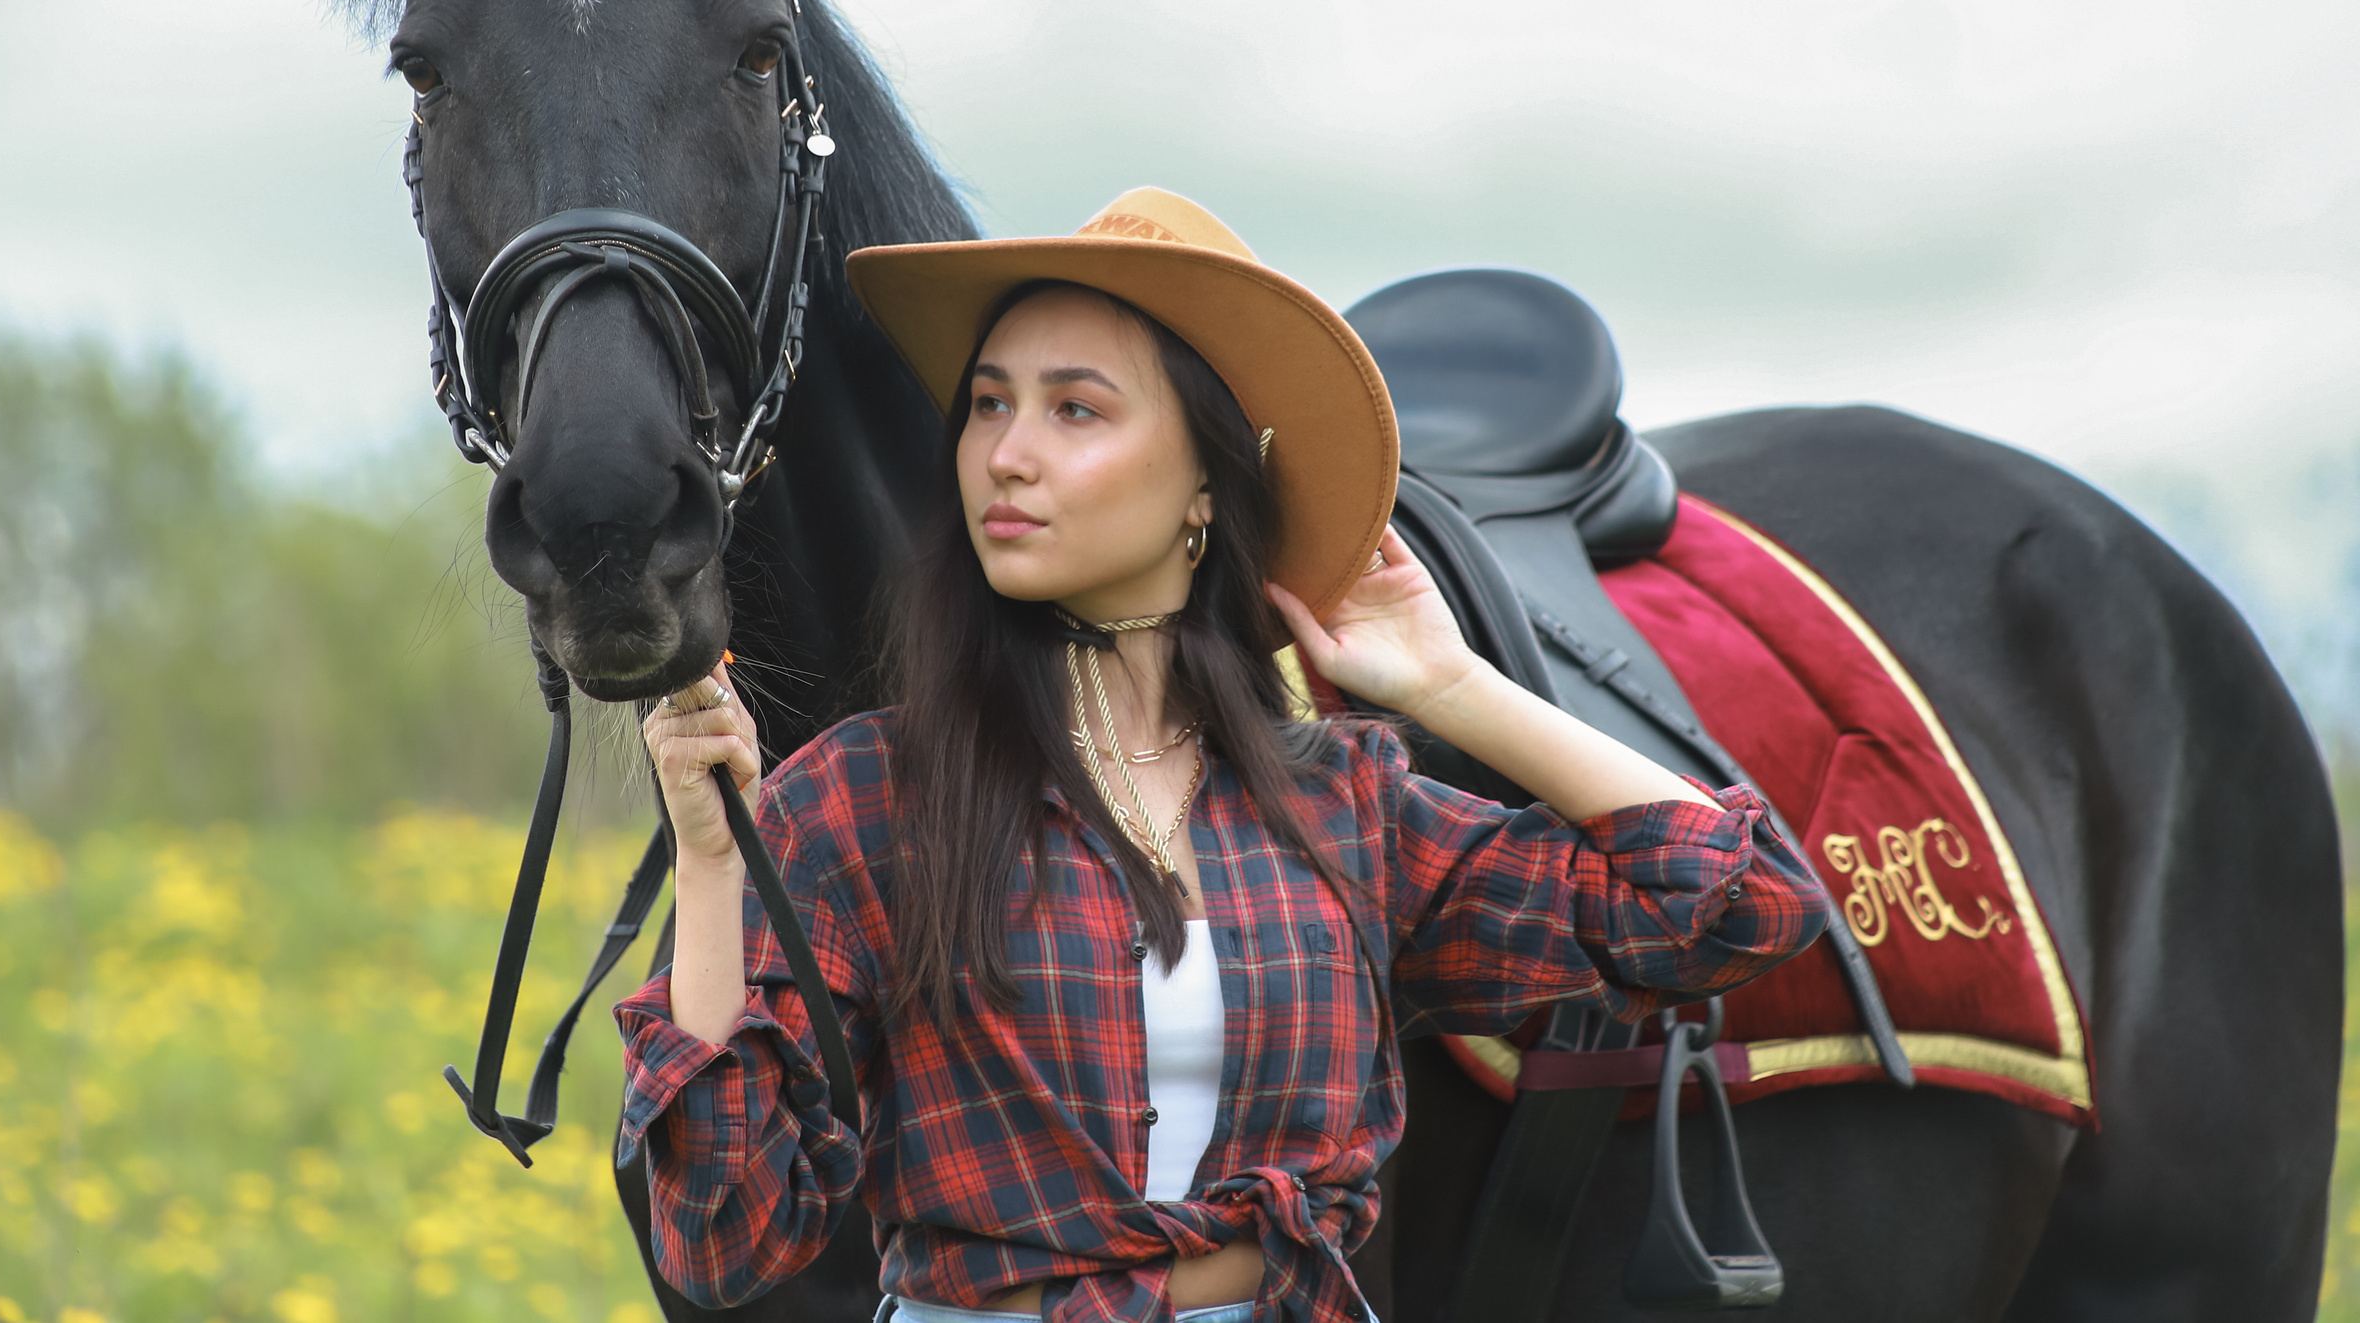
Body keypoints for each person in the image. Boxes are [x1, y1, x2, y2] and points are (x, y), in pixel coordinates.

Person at [616, 189, 1829, 1323]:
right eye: (990, 402)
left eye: (1074, 408)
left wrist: (1455, 687)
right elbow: (722, 1234)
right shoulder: (864, 794)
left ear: (1205, 477)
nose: (1007, 453)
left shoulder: (1342, 803)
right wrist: (715, 861)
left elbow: (1736, 903)